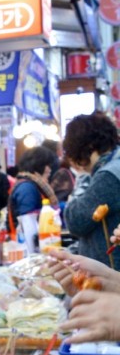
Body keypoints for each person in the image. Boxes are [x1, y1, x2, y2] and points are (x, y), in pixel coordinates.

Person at [62, 112, 120, 265]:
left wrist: (81, 177)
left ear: (88, 147)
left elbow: (76, 221)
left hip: (111, 275)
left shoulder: (109, 176)